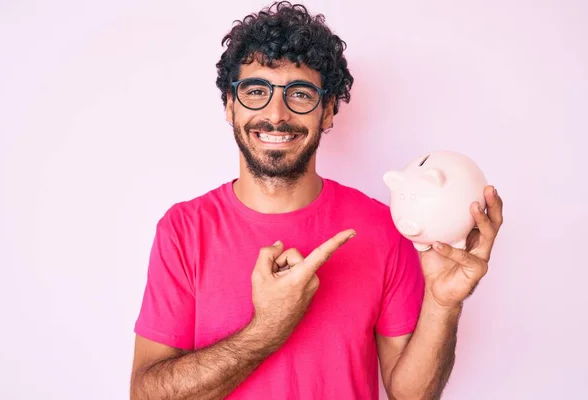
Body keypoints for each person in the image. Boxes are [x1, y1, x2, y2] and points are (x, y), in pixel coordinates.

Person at [129, 2, 504, 399]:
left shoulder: (382, 227)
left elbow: (411, 395)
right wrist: (265, 332)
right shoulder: (184, 229)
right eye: (256, 91)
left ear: (327, 111)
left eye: (300, 94)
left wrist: (442, 305)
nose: (276, 114)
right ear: (229, 106)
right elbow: (146, 393)